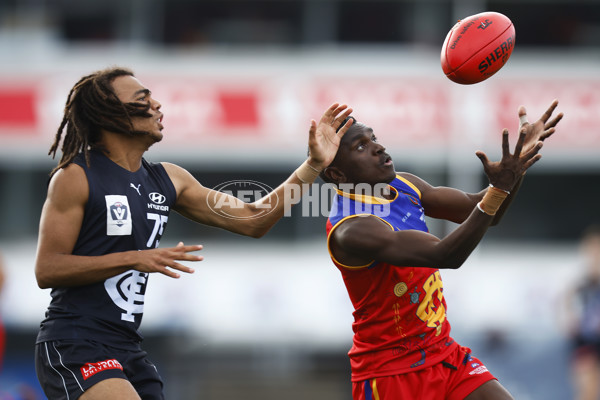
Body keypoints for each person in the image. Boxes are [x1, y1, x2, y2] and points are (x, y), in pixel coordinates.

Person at [33, 66, 354, 400]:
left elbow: (253, 219)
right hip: (75, 341)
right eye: (143, 99)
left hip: (127, 346)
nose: (158, 105)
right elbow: (47, 269)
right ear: (109, 112)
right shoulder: (75, 175)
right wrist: (134, 258)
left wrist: (313, 165)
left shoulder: (169, 179)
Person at [322, 100, 563, 399]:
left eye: (373, 137)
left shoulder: (405, 184)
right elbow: (446, 255)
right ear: (338, 176)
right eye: (361, 146)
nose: (378, 148)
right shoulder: (351, 228)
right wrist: (499, 189)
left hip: (443, 353)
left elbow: (486, 212)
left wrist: (518, 164)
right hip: (392, 373)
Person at [565, 225, 600, 400]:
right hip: (586, 338)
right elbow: (566, 299)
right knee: (586, 390)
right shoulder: (583, 279)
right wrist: (570, 321)